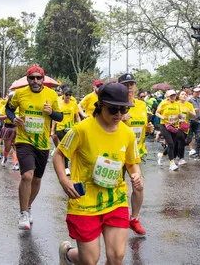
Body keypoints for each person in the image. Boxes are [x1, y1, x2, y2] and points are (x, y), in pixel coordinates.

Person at [53, 82, 142, 265]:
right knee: (89, 260)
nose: (118, 115)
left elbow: (132, 163)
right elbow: (59, 155)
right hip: (84, 201)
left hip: (115, 199)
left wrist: (136, 175)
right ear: (100, 106)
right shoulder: (81, 130)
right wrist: (64, 180)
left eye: (123, 110)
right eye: (113, 110)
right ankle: (68, 254)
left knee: (117, 257)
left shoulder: (128, 134)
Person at [5, 64, 63, 230]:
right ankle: (23, 213)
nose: (35, 80)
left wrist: (51, 112)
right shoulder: (20, 94)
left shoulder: (51, 95)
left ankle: (28, 206)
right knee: (27, 176)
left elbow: (60, 117)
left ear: (43, 79)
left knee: (37, 179)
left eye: (39, 77)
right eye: (32, 78)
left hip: (43, 143)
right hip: (24, 141)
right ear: (28, 79)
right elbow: (8, 109)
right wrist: (13, 118)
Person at [118, 73, 154, 235]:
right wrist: (119, 118)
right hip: (116, 153)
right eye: (126, 84)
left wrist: (149, 129)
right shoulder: (115, 105)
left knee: (138, 185)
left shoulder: (141, 105)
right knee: (115, 187)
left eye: (132, 83)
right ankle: (115, 217)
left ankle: (134, 219)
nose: (130, 86)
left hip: (135, 153)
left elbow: (142, 125)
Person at [51, 86, 80, 176]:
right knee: (66, 146)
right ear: (63, 94)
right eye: (66, 94)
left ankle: (63, 162)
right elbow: (55, 119)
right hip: (60, 128)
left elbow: (77, 116)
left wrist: (80, 125)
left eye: (70, 95)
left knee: (68, 147)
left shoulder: (73, 104)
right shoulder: (59, 104)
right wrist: (52, 130)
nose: (68, 96)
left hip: (70, 128)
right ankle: (66, 167)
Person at [155, 89, 180, 171]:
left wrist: (179, 117)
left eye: (174, 95)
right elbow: (157, 113)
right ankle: (172, 164)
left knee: (173, 144)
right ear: (167, 97)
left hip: (173, 125)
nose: (173, 97)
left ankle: (161, 155)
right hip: (164, 125)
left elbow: (179, 114)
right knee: (171, 143)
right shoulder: (163, 103)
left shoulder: (177, 104)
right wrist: (162, 117)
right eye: (171, 96)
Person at [0, 91, 19, 170]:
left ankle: (15, 163)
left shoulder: (20, 106)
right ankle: (5, 157)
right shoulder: (5, 107)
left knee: (16, 147)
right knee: (8, 148)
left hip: (17, 128)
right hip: (8, 128)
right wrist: (9, 116)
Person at [176, 90, 196, 165]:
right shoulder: (176, 104)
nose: (184, 95)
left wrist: (189, 112)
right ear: (179, 96)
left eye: (185, 94)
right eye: (182, 94)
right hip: (176, 125)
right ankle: (181, 158)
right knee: (181, 140)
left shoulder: (189, 105)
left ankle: (165, 154)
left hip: (185, 125)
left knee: (181, 142)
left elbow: (194, 115)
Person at [187, 87, 200, 161]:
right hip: (190, 120)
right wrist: (193, 110)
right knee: (189, 138)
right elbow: (185, 109)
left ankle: (197, 153)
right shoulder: (189, 100)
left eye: (198, 92)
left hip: (198, 120)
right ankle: (190, 152)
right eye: (196, 92)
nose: (197, 93)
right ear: (193, 92)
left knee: (198, 137)